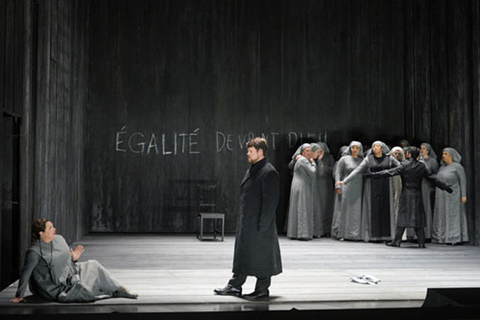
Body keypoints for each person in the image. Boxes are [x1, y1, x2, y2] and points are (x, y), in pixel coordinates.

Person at [214, 137, 282, 300]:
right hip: (248, 222)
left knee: (263, 256)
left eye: (250, 151)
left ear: (260, 152)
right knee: (244, 254)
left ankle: (262, 290)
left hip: (259, 224)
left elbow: (270, 202)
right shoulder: (254, 168)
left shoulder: (269, 171)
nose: (247, 154)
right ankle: (235, 286)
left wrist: (263, 226)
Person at [11, 219, 137, 303]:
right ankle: (107, 292)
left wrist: (74, 258)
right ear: (41, 233)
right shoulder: (34, 252)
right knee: (85, 291)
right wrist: (19, 295)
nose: (54, 229)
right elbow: (25, 273)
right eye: (50, 228)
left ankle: (120, 290)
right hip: (57, 287)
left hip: (71, 273)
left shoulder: (58, 239)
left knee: (93, 265)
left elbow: (64, 261)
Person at [364, 147, 452, 248]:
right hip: (417, 194)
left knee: (402, 217)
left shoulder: (404, 165)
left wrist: (373, 175)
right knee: (418, 218)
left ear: (409, 154)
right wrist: (445, 187)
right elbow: (432, 178)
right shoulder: (421, 166)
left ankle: (397, 241)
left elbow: (389, 172)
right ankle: (421, 243)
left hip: (406, 193)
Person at [337, 141, 400, 242]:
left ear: (382, 148)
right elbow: (357, 170)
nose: (375, 148)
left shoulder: (389, 158)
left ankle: (386, 236)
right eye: (373, 146)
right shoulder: (368, 159)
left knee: (385, 209)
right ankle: (372, 236)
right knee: (372, 209)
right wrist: (345, 181)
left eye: (377, 146)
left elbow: (400, 167)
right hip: (372, 186)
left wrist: (391, 172)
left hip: (385, 186)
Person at [432, 147, 468, 245]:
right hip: (441, 194)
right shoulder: (442, 167)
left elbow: (463, 181)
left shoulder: (457, 167)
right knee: (441, 214)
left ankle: (453, 237)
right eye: (443, 154)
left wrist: (464, 195)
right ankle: (441, 236)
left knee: (453, 215)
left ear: (451, 155)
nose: (443, 156)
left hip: (453, 194)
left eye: (446, 154)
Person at [331, 141, 364, 241]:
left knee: (356, 211)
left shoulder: (361, 160)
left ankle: (354, 234)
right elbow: (338, 173)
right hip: (345, 187)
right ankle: (341, 233)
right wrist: (338, 186)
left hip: (358, 187)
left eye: (357, 148)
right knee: (343, 209)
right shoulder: (344, 159)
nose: (354, 150)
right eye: (353, 148)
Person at [286, 143, 317, 240]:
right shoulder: (303, 160)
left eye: (310, 151)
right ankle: (302, 233)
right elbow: (312, 172)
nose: (309, 153)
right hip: (302, 185)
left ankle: (295, 232)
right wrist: (313, 162)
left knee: (297, 207)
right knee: (303, 207)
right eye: (306, 151)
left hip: (296, 184)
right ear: (302, 152)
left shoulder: (299, 159)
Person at [419, 143, 440, 241]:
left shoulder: (432, 161)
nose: (422, 150)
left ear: (428, 150)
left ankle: (427, 233)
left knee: (426, 208)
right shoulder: (418, 160)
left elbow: (436, 175)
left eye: (424, 149)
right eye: (421, 148)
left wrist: (428, 179)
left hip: (426, 187)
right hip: (417, 186)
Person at [315, 142, 336, 237]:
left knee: (326, 207)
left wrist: (323, 166)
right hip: (316, 185)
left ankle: (326, 229)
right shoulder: (314, 157)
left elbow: (333, 170)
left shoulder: (329, 157)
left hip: (326, 185)